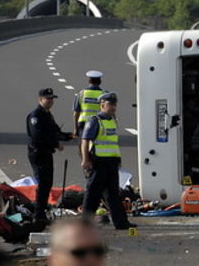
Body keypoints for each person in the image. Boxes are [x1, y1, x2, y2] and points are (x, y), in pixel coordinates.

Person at [80, 92, 135, 230]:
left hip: (111, 162)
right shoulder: (94, 121)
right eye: (110, 104)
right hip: (98, 162)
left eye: (114, 104)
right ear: (102, 105)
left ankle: (121, 222)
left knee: (113, 194)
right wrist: (85, 159)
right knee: (93, 193)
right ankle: (85, 223)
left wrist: (118, 160)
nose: (113, 107)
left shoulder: (112, 120)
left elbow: (113, 143)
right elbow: (85, 141)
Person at [26, 87, 71, 221]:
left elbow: (55, 132)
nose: (51, 101)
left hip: (46, 153)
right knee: (43, 183)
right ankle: (38, 215)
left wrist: (69, 136)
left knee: (47, 183)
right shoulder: (36, 116)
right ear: (40, 99)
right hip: (38, 153)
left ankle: (42, 211)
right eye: (48, 98)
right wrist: (56, 144)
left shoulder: (47, 114)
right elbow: (37, 137)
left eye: (52, 99)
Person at [73, 70, 105, 140]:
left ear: (89, 81)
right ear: (100, 81)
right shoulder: (104, 94)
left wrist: (75, 129)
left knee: (83, 144)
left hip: (83, 123)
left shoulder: (81, 93)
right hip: (98, 123)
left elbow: (76, 113)